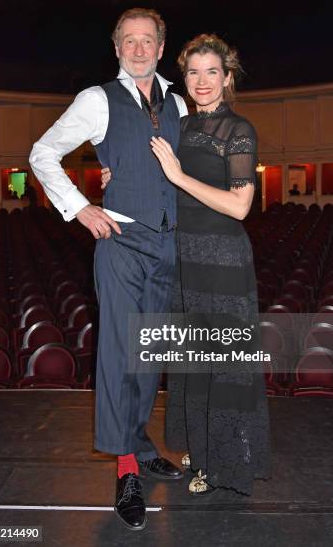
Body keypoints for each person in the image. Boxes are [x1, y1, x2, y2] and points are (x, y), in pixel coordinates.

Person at [29, 8, 188, 531]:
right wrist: (81, 207)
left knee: (150, 357)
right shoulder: (96, 100)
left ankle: (140, 446)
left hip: (168, 246)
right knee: (121, 356)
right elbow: (43, 153)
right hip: (119, 241)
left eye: (148, 40)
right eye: (129, 40)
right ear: (116, 47)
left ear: (161, 48)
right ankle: (126, 471)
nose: (139, 49)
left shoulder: (180, 103)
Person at [103, 34, 271, 496]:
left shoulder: (239, 129)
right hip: (184, 260)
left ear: (227, 77)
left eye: (211, 71)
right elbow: (150, 164)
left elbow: (240, 206)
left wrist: (178, 175)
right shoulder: (181, 124)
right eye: (193, 71)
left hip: (223, 261)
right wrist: (116, 174)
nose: (201, 80)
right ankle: (200, 448)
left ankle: (225, 467)